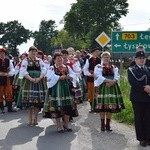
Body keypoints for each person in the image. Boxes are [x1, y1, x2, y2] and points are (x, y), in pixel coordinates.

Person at [43, 53, 76, 133]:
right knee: (57, 107)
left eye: (61, 58)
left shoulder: (67, 67)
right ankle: (58, 126)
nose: (60, 59)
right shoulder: (52, 68)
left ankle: (66, 125)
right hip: (56, 90)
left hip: (66, 89)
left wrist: (70, 77)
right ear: (54, 60)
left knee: (67, 107)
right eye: (58, 58)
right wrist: (59, 77)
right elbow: (49, 78)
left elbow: (74, 75)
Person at [94, 51, 125, 131]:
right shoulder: (98, 66)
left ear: (109, 58)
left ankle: (108, 125)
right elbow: (98, 76)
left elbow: (116, 76)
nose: (106, 58)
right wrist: (108, 81)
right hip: (102, 87)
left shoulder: (114, 67)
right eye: (105, 57)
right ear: (102, 58)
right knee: (102, 107)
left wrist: (113, 82)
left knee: (109, 107)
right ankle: (102, 125)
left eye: (107, 57)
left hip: (111, 87)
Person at [19, 46, 47, 126]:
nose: (33, 53)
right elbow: (23, 71)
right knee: (29, 102)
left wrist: (40, 78)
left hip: (38, 81)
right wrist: (31, 79)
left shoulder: (40, 60)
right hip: (29, 82)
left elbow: (44, 70)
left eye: (35, 51)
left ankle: (35, 119)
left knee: (37, 102)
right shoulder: (25, 60)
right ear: (29, 52)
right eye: (32, 51)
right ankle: (30, 119)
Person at [128, 51, 150, 147]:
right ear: (136, 59)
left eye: (143, 58)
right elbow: (133, 83)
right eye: (140, 58)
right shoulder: (131, 69)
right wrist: (144, 88)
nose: (142, 60)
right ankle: (141, 138)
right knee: (139, 119)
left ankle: (148, 137)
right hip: (137, 98)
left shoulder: (148, 69)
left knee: (148, 119)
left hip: (148, 97)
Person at [83, 47, 101, 112]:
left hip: (98, 79)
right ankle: (92, 107)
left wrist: (97, 75)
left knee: (97, 92)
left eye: (98, 52)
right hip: (91, 79)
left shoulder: (100, 60)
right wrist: (90, 74)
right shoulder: (89, 60)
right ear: (93, 53)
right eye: (96, 52)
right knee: (91, 93)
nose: (97, 53)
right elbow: (85, 69)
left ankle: (98, 107)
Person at [0, 47, 15, 113]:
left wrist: (8, 74)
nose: (1, 54)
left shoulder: (9, 61)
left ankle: (9, 108)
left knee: (9, 93)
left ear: (5, 54)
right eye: (0, 53)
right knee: (0, 93)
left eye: (3, 53)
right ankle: (1, 108)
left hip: (7, 79)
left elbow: (13, 70)